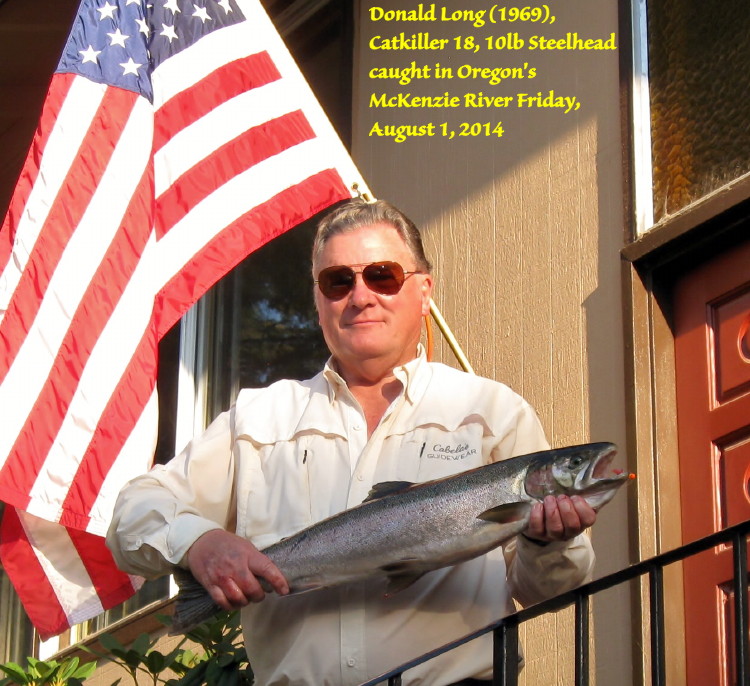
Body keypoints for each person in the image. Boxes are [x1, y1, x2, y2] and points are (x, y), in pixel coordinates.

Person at [107, 198, 596, 686]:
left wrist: (547, 541)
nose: (360, 295)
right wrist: (200, 543)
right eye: (338, 281)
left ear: (424, 291)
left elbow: (548, 592)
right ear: (318, 301)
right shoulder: (257, 418)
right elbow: (134, 510)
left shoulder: (492, 412)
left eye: (382, 275)